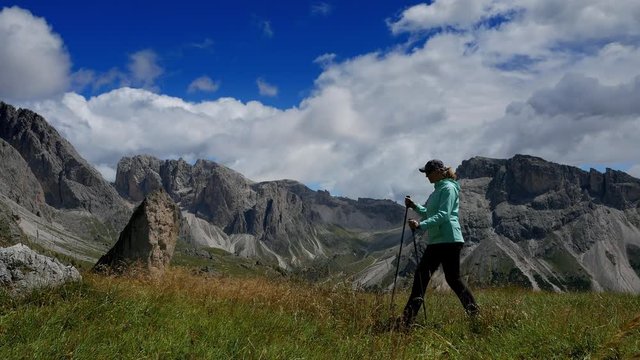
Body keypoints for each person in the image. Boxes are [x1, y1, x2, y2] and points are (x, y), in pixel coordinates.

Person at [401, 159, 479, 327]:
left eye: (428, 172)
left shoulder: (449, 189)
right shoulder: (438, 190)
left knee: (451, 279)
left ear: (438, 171)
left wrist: (421, 225)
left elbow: (444, 215)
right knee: (428, 277)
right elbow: (430, 213)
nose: (426, 176)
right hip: (438, 240)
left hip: (449, 240)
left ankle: (475, 314)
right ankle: (406, 321)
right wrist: (414, 206)